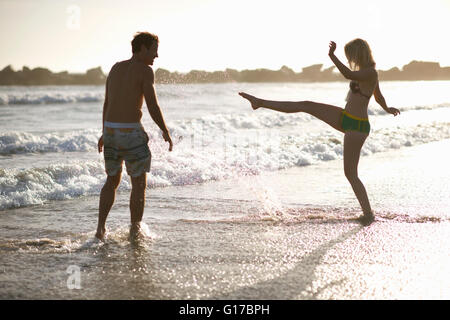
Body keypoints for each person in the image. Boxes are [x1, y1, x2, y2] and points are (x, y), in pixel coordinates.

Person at [239, 39, 400, 225]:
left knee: (351, 174)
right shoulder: (365, 73)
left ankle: (368, 214)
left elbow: (352, 77)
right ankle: (260, 102)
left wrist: (332, 56)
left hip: (357, 126)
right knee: (306, 105)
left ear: (359, 53)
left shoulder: (370, 72)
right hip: (346, 117)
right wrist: (387, 108)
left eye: (351, 55)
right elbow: (378, 96)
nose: (350, 59)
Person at [96, 32, 173, 240]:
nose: (156, 56)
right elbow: (152, 104)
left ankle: (100, 229)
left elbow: (107, 103)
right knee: (139, 183)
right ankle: (134, 230)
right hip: (130, 132)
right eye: (154, 50)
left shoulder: (115, 68)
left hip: (111, 130)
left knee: (111, 180)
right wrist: (165, 130)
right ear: (142, 49)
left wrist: (104, 132)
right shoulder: (145, 71)